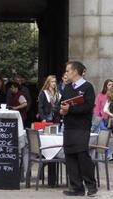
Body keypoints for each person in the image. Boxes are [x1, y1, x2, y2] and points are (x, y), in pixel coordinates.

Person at [59, 61, 97, 197]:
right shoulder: (68, 87)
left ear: (75, 71)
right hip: (68, 127)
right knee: (70, 156)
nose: (66, 73)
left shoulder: (87, 87)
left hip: (81, 128)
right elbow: (62, 103)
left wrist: (71, 109)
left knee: (82, 156)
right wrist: (62, 111)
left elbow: (88, 107)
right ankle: (77, 188)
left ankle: (91, 186)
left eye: (68, 70)